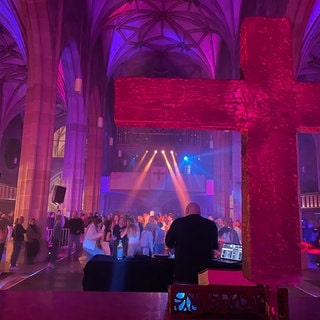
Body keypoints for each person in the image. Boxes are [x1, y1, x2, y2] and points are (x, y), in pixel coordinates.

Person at [165, 202, 218, 284]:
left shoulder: (178, 223)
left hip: (183, 270)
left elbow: (168, 242)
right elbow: (214, 246)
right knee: (203, 295)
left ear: (187, 210)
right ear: (199, 212)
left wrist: (179, 245)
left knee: (181, 294)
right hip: (203, 271)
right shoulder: (210, 225)